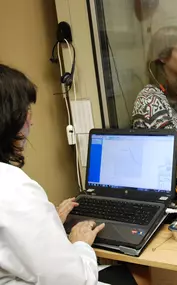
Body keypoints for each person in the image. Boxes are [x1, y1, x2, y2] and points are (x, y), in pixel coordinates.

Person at [0, 64, 138, 285]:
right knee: (134, 277)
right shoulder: (13, 189)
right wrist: (80, 244)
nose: (31, 121)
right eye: (26, 111)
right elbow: (74, 281)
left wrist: (48, 223)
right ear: (10, 119)